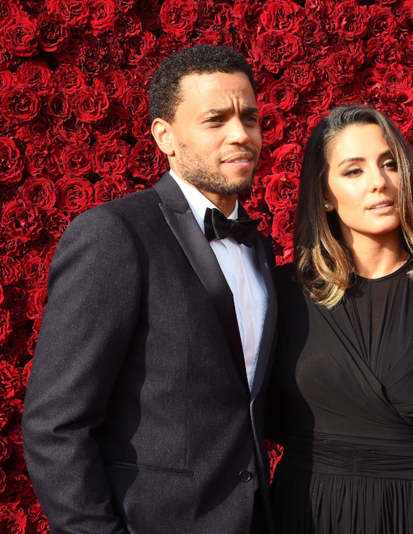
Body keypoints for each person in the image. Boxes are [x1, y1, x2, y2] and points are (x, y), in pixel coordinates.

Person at [23, 45, 277, 534]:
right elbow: (55, 426)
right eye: (215, 119)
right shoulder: (114, 234)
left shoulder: (261, 250)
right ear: (165, 136)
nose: (240, 135)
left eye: (250, 117)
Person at [267, 105, 413, 534]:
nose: (379, 182)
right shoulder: (283, 294)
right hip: (303, 512)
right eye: (353, 171)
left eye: (389, 164)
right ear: (323, 193)